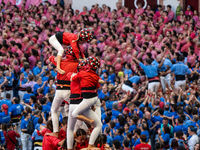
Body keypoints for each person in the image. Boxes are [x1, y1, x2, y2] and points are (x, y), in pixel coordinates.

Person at [69, 56, 103, 149]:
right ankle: (90, 146)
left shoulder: (82, 73)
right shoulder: (95, 76)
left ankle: (89, 121)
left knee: (74, 114)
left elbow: (72, 79)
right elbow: (98, 86)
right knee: (99, 124)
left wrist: (72, 75)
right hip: (93, 99)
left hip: (88, 100)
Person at [49, 46, 78, 138]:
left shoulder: (60, 61)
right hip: (70, 90)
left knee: (54, 110)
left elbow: (50, 57)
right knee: (76, 112)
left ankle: (56, 131)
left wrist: (60, 55)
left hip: (59, 91)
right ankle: (78, 131)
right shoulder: (77, 63)